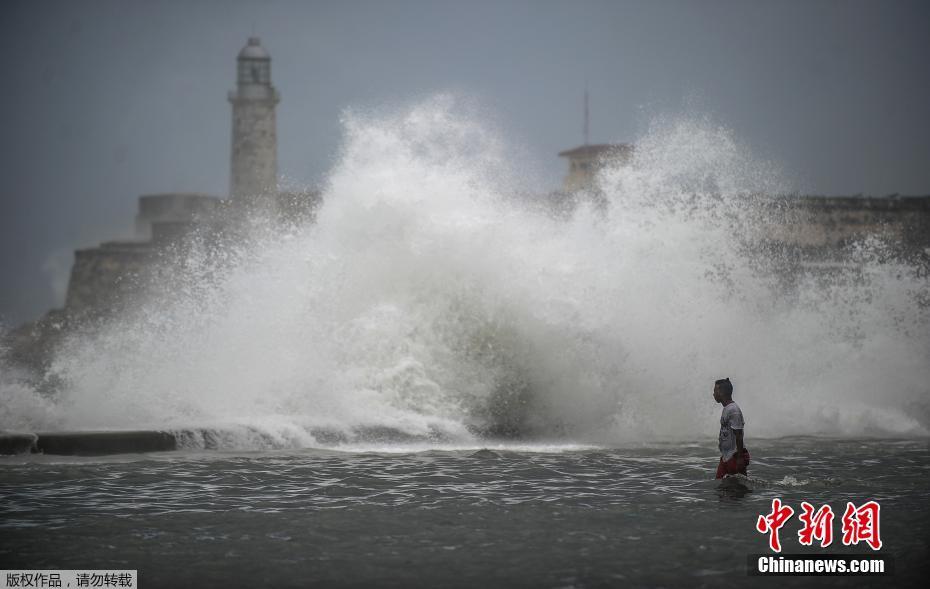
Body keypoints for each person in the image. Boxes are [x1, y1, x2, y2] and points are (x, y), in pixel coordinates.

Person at [713, 377, 749, 479]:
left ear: (721, 392)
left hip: (735, 456)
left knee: (736, 489)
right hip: (726, 456)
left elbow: (739, 434)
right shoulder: (727, 408)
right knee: (722, 486)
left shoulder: (733, 410)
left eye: (715, 391)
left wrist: (740, 458)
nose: (713, 394)